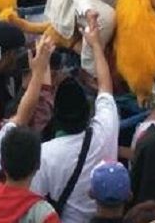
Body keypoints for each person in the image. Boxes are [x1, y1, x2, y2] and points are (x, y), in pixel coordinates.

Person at [31, 16, 119, 222]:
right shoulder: (105, 129)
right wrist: (95, 44)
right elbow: (105, 87)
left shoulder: (46, 153)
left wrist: (40, 68)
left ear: (56, 117)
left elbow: (35, 200)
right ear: (88, 112)